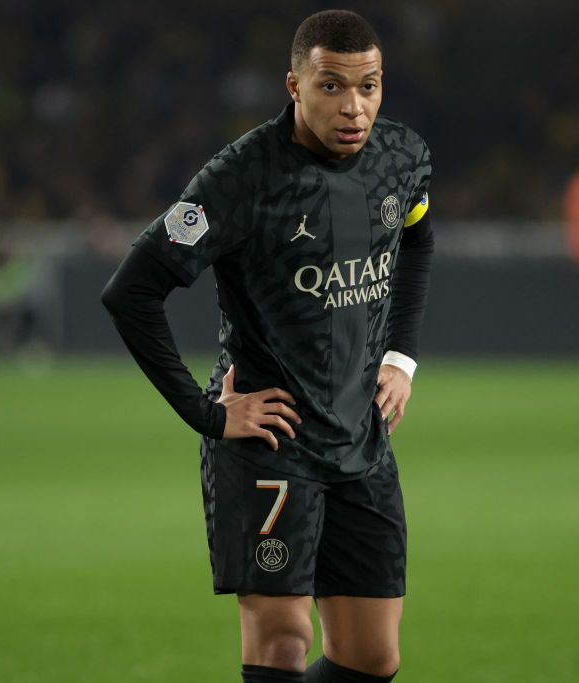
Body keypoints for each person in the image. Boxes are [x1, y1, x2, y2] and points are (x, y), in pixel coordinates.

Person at [101, 10, 434, 682]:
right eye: (332, 86)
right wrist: (210, 414)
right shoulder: (241, 177)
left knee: (372, 655)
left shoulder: (401, 158)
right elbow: (131, 291)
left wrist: (401, 356)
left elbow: (418, 236)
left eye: (368, 86)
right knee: (282, 638)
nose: (354, 106)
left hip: (359, 438)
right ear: (294, 85)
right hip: (269, 442)